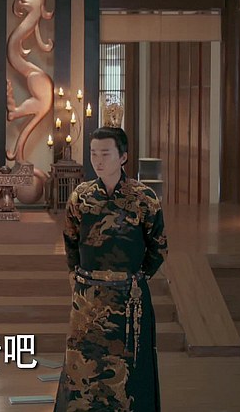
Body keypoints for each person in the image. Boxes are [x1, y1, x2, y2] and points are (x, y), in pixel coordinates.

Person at [54, 127, 168, 412]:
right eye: (94, 153)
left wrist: (137, 278)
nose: (98, 160)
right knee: (82, 366)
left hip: (128, 296)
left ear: (123, 157)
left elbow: (159, 247)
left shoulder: (144, 198)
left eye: (105, 153)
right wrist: (74, 274)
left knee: (132, 366)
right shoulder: (80, 197)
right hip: (88, 296)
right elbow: (70, 240)